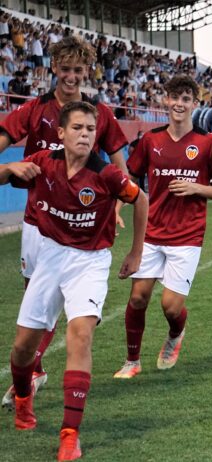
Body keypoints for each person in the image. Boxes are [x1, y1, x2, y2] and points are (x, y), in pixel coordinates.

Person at [0, 101, 148, 461]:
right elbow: (6, 175)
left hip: (90, 261)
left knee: (79, 334)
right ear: (61, 134)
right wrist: (8, 167)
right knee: (22, 349)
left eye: (90, 129)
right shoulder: (42, 162)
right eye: (77, 128)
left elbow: (140, 199)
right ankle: (23, 398)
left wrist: (136, 253)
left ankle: (70, 434)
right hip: (50, 257)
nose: (85, 134)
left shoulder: (107, 175)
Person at [0, 35, 129, 411]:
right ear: (53, 68)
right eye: (66, 69)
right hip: (35, 221)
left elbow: (119, 158)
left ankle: (34, 369)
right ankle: (34, 370)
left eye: (78, 70)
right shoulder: (35, 108)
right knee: (34, 298)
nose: (71, 77)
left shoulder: (98, 113)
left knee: (61, 305)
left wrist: (119, 203)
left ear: (86, 72)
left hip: (79, 227)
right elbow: (5, 137)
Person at [113, 75, 212, 379]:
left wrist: (196, 188)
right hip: (151, 231)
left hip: (187, 235)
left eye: (186, 99)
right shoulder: (151, 141)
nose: (179, 104)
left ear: (194, 103)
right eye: (175, 97)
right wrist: (116, 209)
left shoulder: (208, 142)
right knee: (138, 298)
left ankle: (175, 334)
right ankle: (132, 361)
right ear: (166, 100)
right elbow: (131, 181)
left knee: (170, 307)